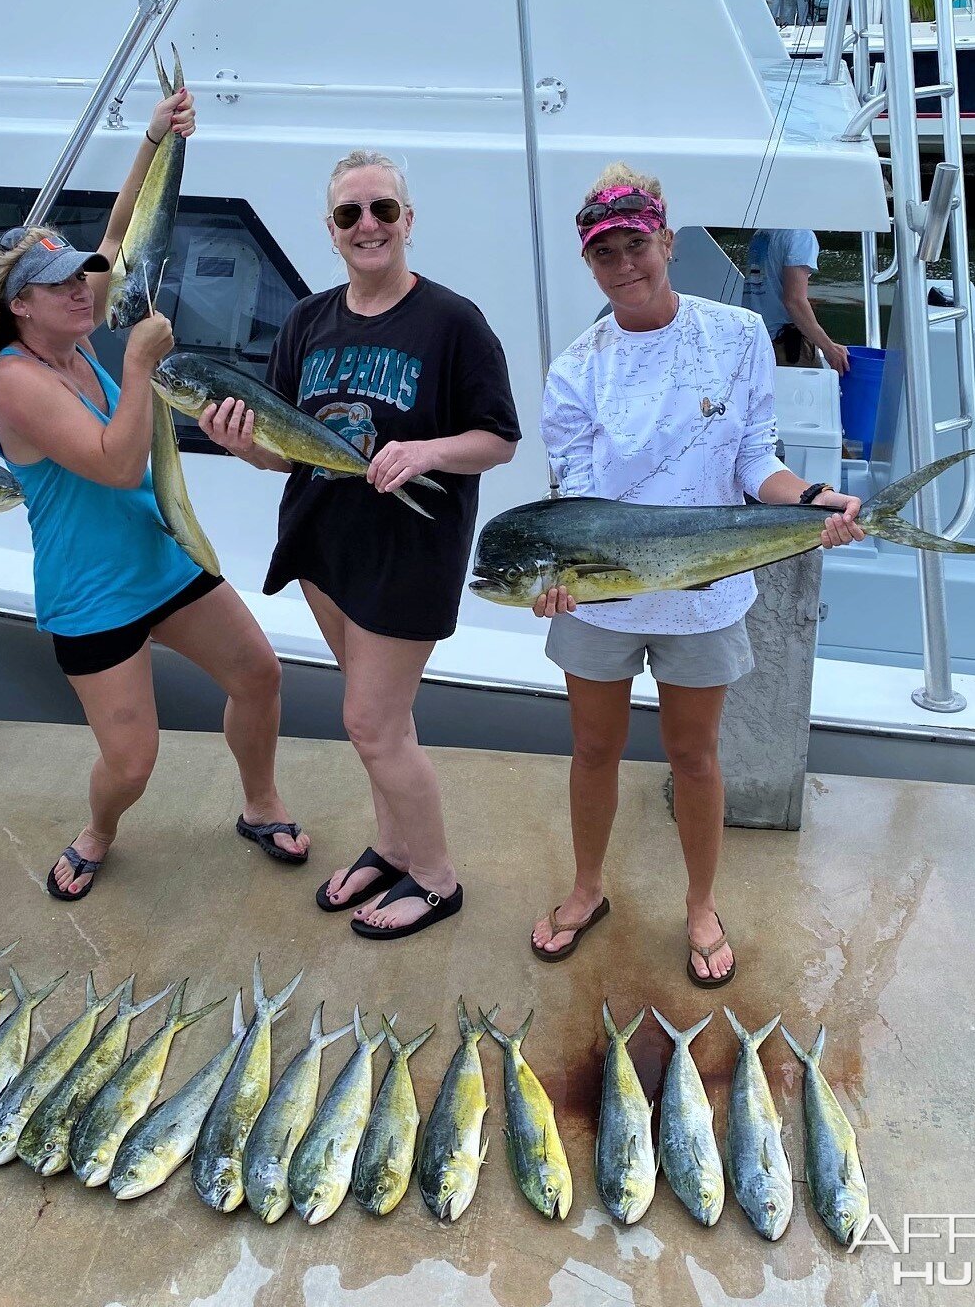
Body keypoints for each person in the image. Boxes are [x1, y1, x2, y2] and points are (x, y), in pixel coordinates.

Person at [0, 83, 310, 904]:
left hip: (161, 555)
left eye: (83, 276)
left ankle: (259, 803)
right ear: (20, 308)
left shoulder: (76, 331)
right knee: (131, 763)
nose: (84, 287)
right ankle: (98, 831)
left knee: (258, 673)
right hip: (93, 593)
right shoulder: (14, 381)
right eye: (61, 284)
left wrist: (152, 139)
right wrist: (143, 361)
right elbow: (117, 466)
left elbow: (118, 236)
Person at [529, 165, 863, 983]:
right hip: (601, 600)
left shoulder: (738, 335)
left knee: (695, 756)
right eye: (604, 253)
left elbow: (756, 461)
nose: (624, 265)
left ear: (667, 241)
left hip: (705, 590)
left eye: (636, 245)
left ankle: (700, 903)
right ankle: (584, 888)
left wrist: (811, 501)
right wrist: (557, 581)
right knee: (592, 749)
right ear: (589, 263)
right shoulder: (577, 368)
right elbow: (573, 502)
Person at [200, 150, 521, 941]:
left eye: (382, 209)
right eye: (350, 214)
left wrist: (425, 451)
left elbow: (499, 439)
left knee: (371, 724)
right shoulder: (308, 320)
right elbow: (282, 446)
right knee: (388, 721)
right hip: (322, 543)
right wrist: (240, 443)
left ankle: (437, 879)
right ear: (331, 231)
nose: (367, 225)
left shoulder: (453, 321)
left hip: (408, 551)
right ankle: (391, 845)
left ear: (408, 221)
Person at [742, 228, 850, 374]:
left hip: (757, 340)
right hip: (786, 347)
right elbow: (794, 301)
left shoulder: (763, 233)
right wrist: (829, 347)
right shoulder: (802, 236)